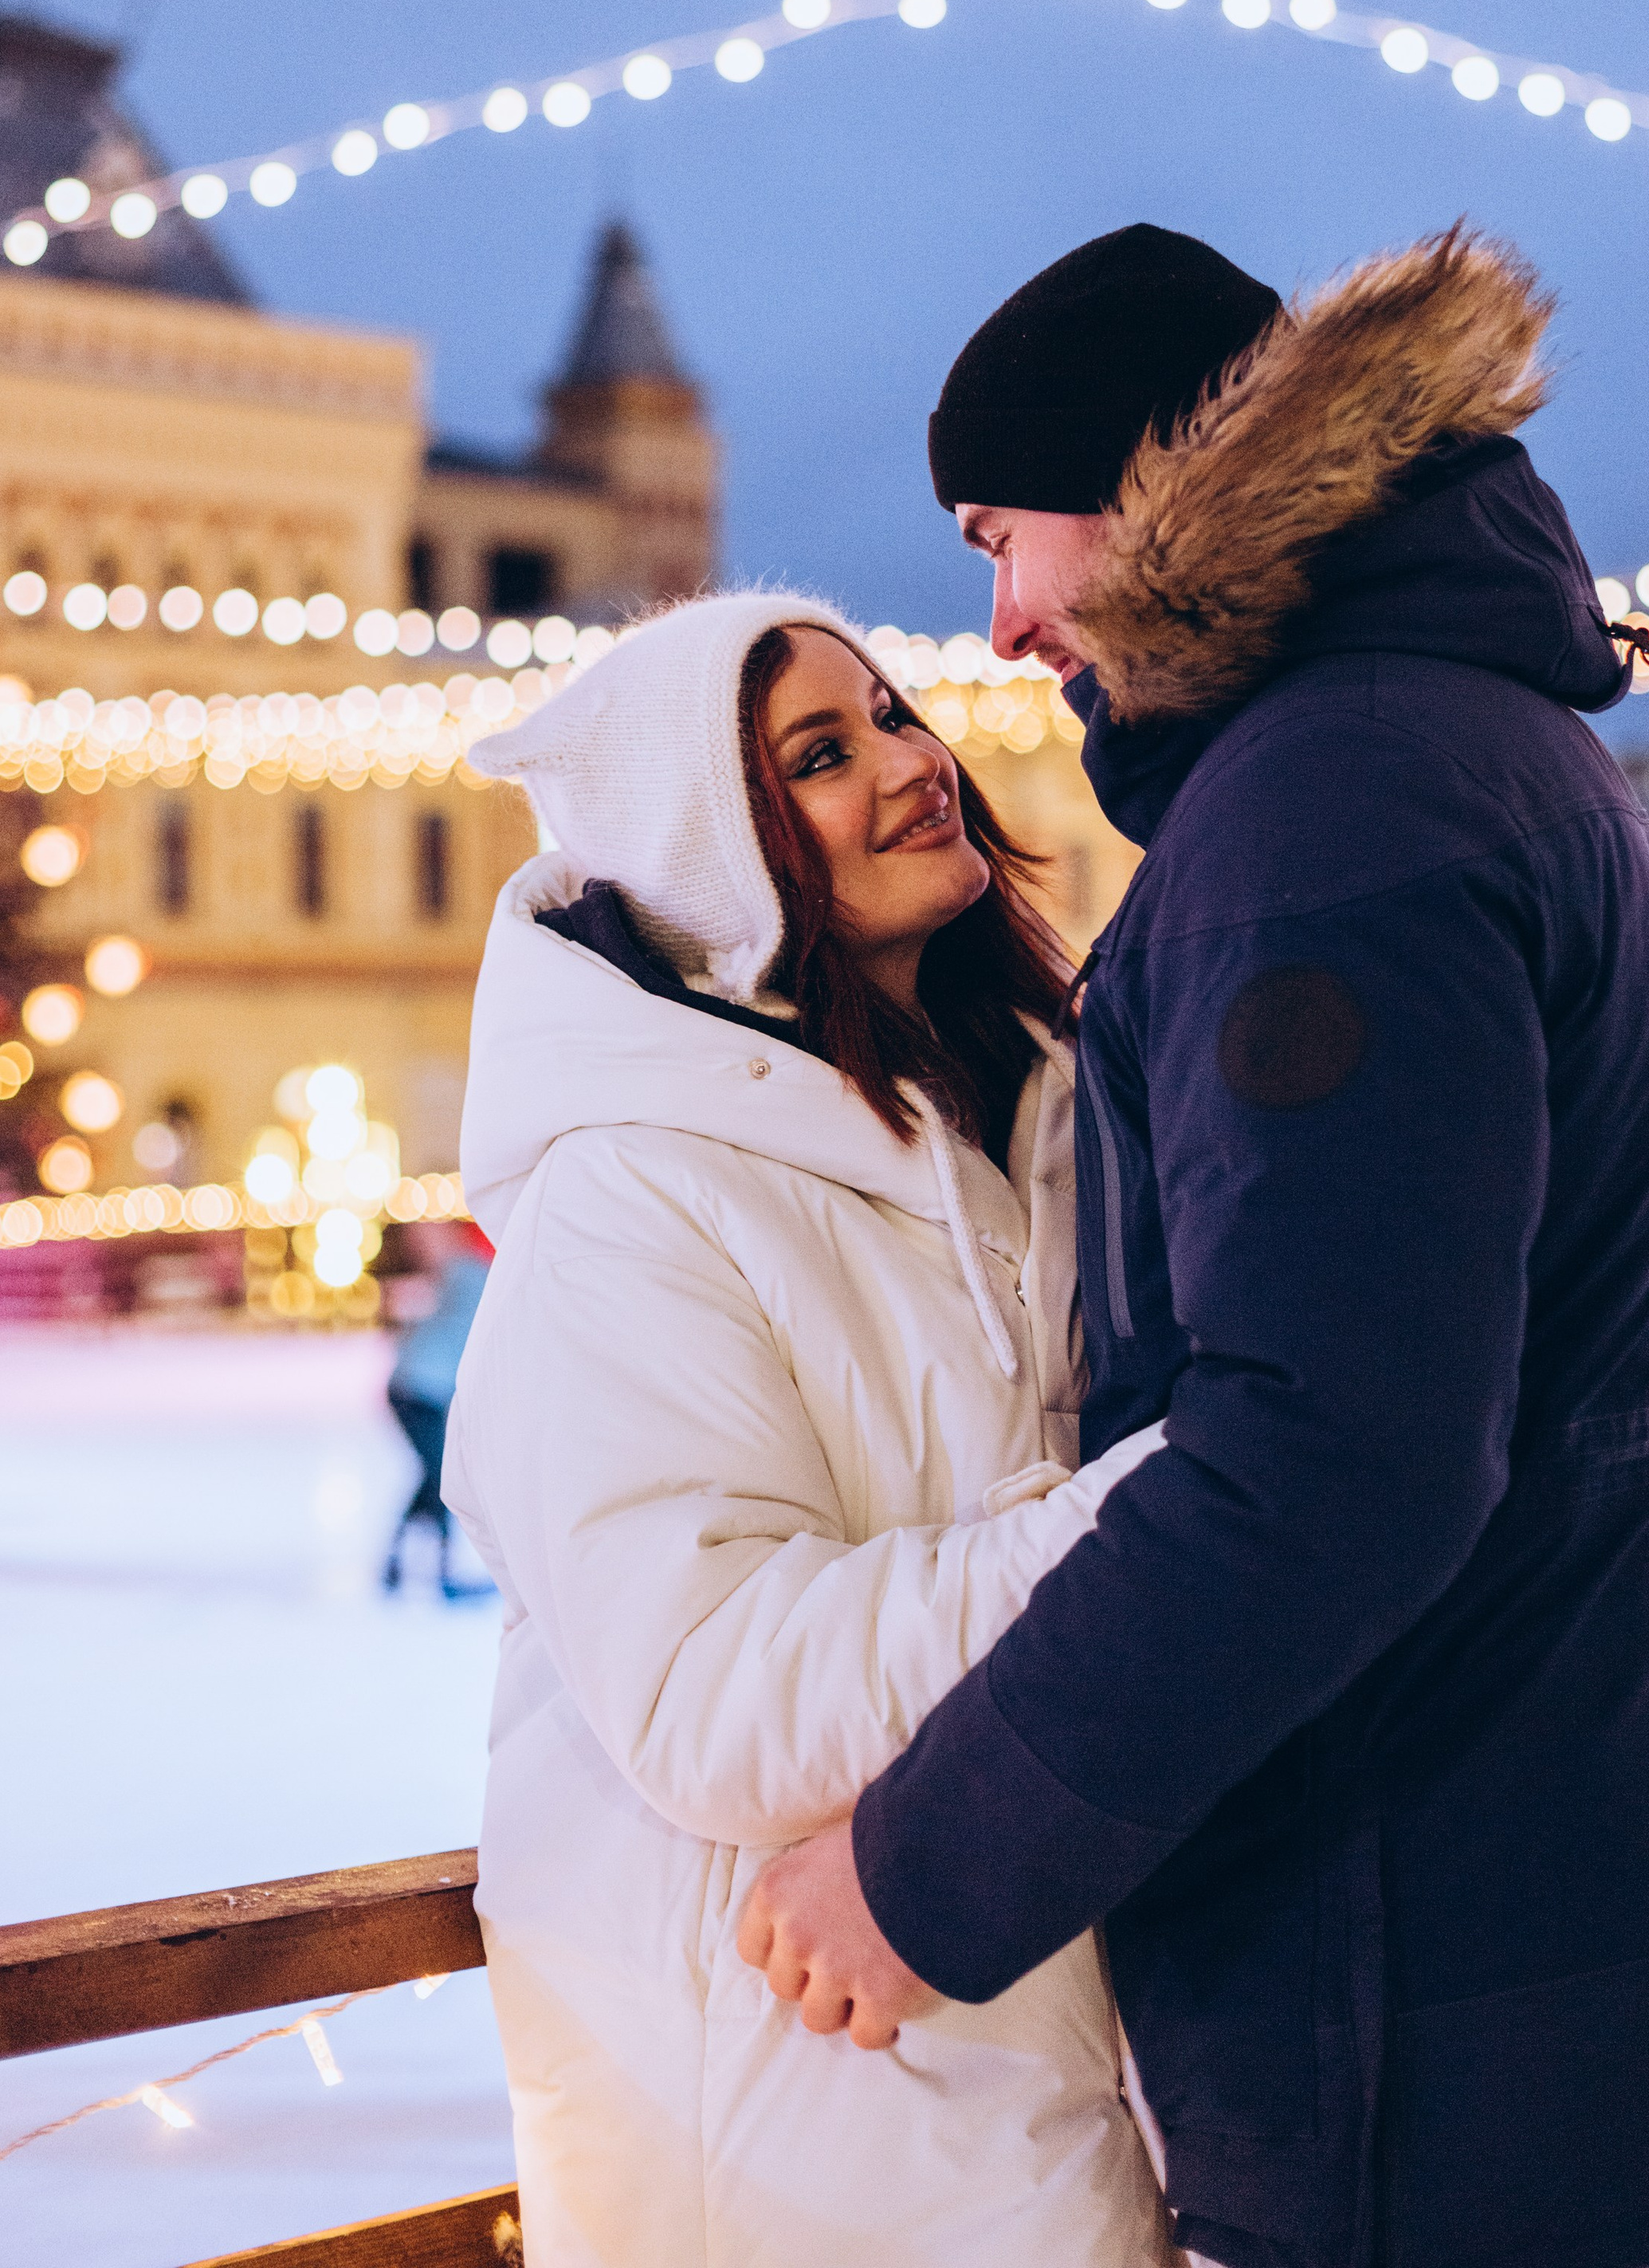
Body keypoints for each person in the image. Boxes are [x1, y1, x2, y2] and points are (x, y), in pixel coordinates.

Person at [743, 223, 1649, 2268]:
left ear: (1145, 482)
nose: (999, 623)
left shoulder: (1325, 814)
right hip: (1590, 1957)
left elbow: (1328, 1460)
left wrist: (921, 1866)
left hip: (1453, 2023)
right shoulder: (1477, 742)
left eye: (1007, 535)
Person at [444, 591, 1176, 2268]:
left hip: (1025, 2040)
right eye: (821, 757)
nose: (913, 765)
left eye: (892, 716)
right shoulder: (633, 1198)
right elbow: (714, 1695)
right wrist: (1162, 1528)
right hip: (792, 2111)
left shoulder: (1029, 1113)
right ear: (715, 853)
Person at [382, 1224, 495, 1595]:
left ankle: (396, 1564)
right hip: (420, 1392)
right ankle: (440, 1573)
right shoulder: (482, 1281)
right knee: (441, 1479)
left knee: (434, 1478)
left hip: (413, 1387)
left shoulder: (465, 1274)